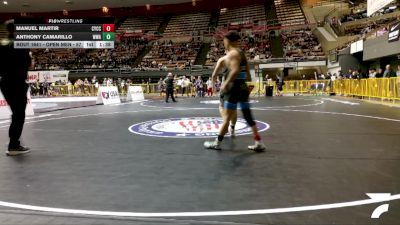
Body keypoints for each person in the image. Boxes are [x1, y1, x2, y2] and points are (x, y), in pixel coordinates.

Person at [204, 31, 266, 151]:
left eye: (224, 41)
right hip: (242, 87)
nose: (223, 43)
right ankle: (258, 142)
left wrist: (225, 84)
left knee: (226, 118)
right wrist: (247, 85)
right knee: (248, 116)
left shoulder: (232, 53)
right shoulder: (241, 53)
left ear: (229, 40)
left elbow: (235, 70)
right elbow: (248, 73)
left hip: (233, 89)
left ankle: (217, 143)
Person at [0, 20, 33, 156]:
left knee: (16, 114)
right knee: (19, 115)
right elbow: (29, 65)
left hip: (5, 83)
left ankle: (14, 142)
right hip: (17, 83)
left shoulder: (2, 46)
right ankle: (13, 145)